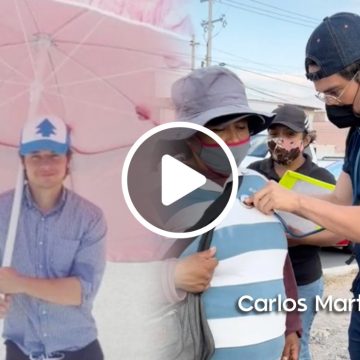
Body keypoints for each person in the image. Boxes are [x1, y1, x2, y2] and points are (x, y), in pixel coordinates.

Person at [245, 12, 360, 360]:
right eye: (322, 94)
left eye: (335, 91)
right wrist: (275, 207)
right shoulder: (357, 133)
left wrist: (295, 203)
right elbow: (341, 199)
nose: (331, 103)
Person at [167, 66, 301, 360]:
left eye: (241, 128)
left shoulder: (262, 186)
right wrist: (170, 275)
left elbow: (279, 265)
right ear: (190, 136)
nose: (233, 138)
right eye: (218, 128)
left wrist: (291, 326)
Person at [0, 116, 106, 359]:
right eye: (35, 155)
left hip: (79, 350)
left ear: (68, 160)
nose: (45, 164)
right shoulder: (2, 212)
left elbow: (81, 292)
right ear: (22, 161)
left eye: (54, 155)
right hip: (21, 350)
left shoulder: (89, 217)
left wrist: (20, 283)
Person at [248, 104, 335, 360]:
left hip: (303, 278)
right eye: (274, 134)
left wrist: (294, 239)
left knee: (296, 348)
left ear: (306, 140)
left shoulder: (321, 179)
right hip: (260, 279)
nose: (281, 142)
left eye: (290, 136)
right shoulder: (253, 174)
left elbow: (336, 234)